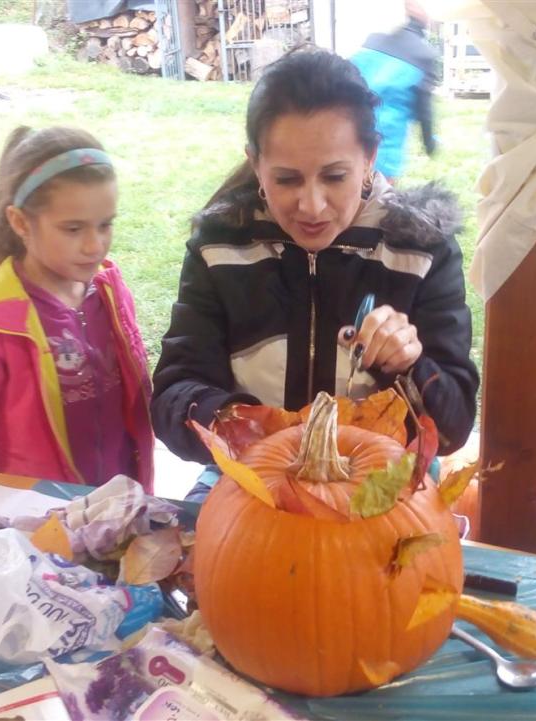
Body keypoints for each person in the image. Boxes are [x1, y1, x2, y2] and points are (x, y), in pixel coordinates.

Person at [150, 48, 479, 502]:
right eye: (287, 179)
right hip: (253, 475)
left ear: (369, 158)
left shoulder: (420, 251)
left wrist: (408, 366)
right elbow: (173, 394)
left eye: (335, 176)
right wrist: (252, 429)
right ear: (255, 164)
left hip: (379, 483)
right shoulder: (221, 247)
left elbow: (453, 426)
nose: (312, 205)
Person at [0, 126, 155, 493]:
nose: (95, 245)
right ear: (20, 223)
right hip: (36, 516)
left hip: (120, 502)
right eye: (73, 229)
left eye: (105, 225)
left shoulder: (110, 292)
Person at [349, 0, 439, 182]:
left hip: (349, 135)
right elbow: (424, 109)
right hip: (386, 145)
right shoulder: (424, 55)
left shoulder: (371, 41)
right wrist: (430, 143)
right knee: (379, 194)